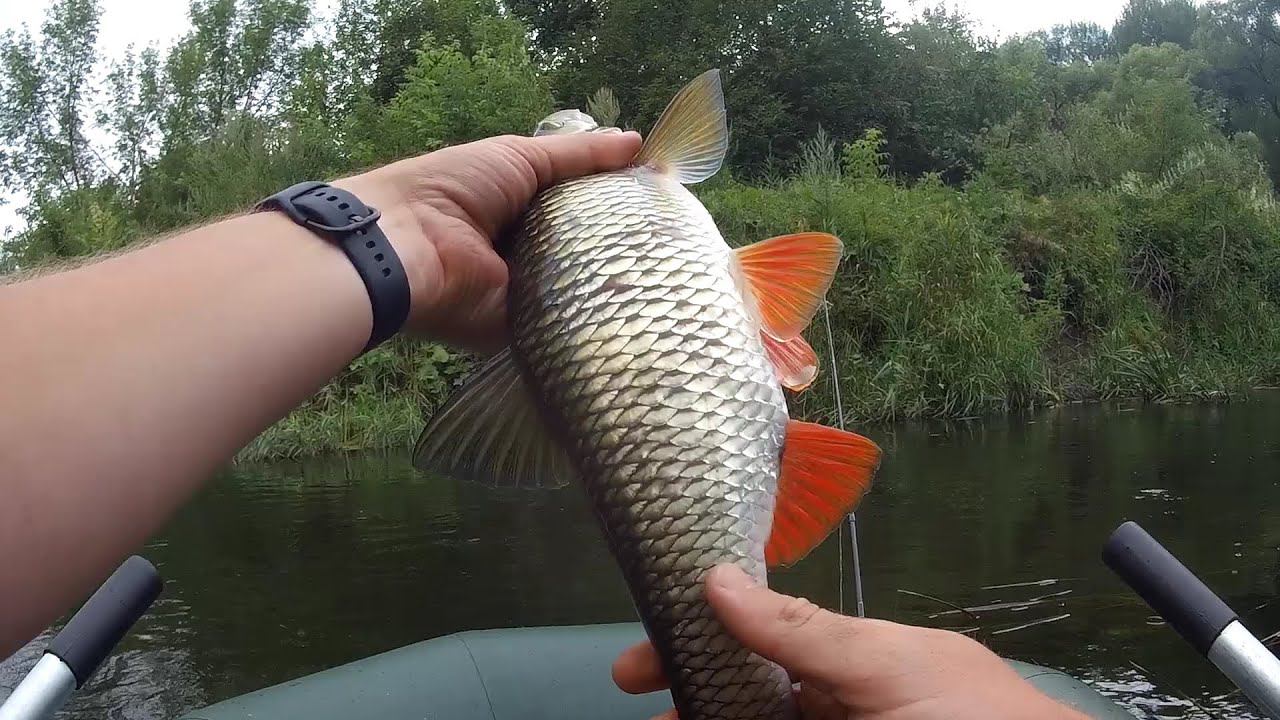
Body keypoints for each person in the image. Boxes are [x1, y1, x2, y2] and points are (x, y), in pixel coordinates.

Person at [0, 131, 1087, 719]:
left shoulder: (601, 220)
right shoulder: (653, 168)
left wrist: (393, 239)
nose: (567, 128)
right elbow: (699, 117)